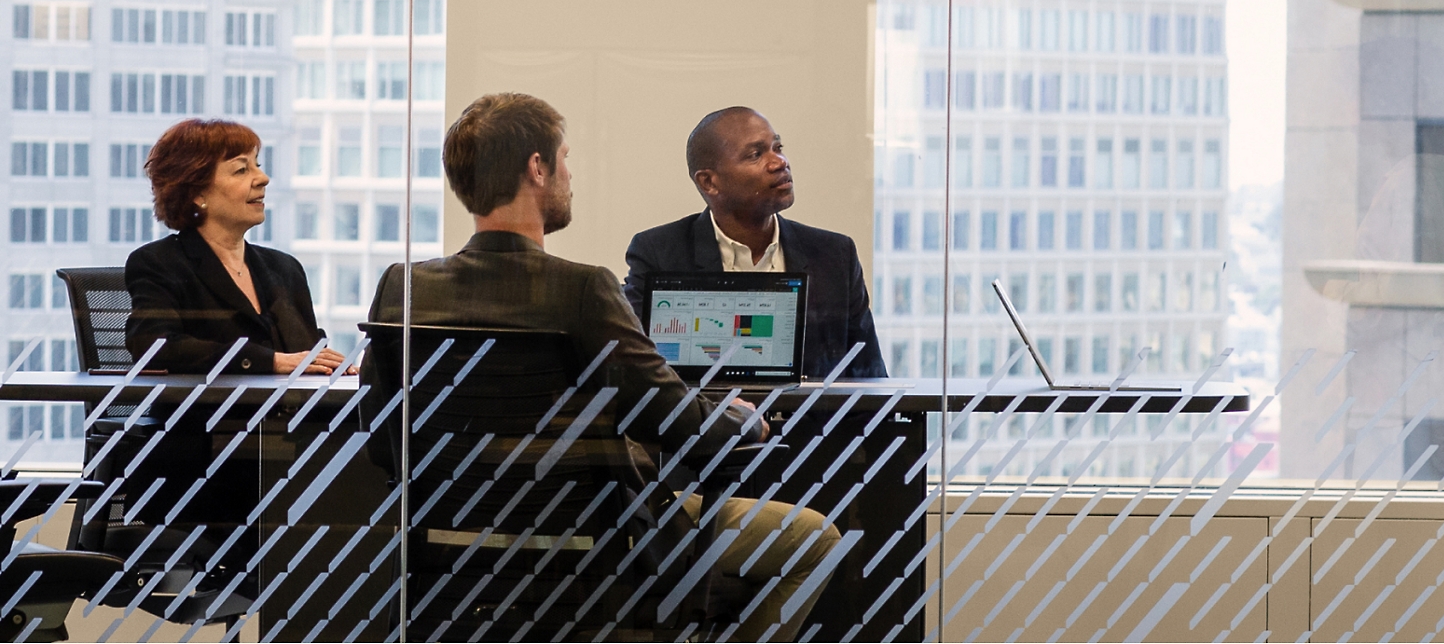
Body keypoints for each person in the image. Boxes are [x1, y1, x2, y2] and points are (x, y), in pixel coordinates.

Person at [364, 92, 839, 641]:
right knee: (816, 540)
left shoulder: (404, 287)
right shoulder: (582, 288)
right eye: (565, 159)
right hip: (594, 549)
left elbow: (381, 440)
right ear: (537, 169)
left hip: (447, 553)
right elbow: (671, 418)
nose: (571, 176)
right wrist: (739, 419)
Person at [624, 106, 887, 378]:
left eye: (778, 147)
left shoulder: (834, 256)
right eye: (756, 154)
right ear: (709, 182)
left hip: (811, 420)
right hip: (708, 420)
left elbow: (870, 379)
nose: (779, 162)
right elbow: (635, 374)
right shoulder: (660, 254)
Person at [126, 118, 347, 375]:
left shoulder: (285, 267)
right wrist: (270, 362)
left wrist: (335, 367)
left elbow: (307, 355)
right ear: (197, 193)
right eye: (241, 170)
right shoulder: (160, 262)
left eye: (258, 166)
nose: (263, 179)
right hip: (208, 413)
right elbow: (154, 348)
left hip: (294, 413)